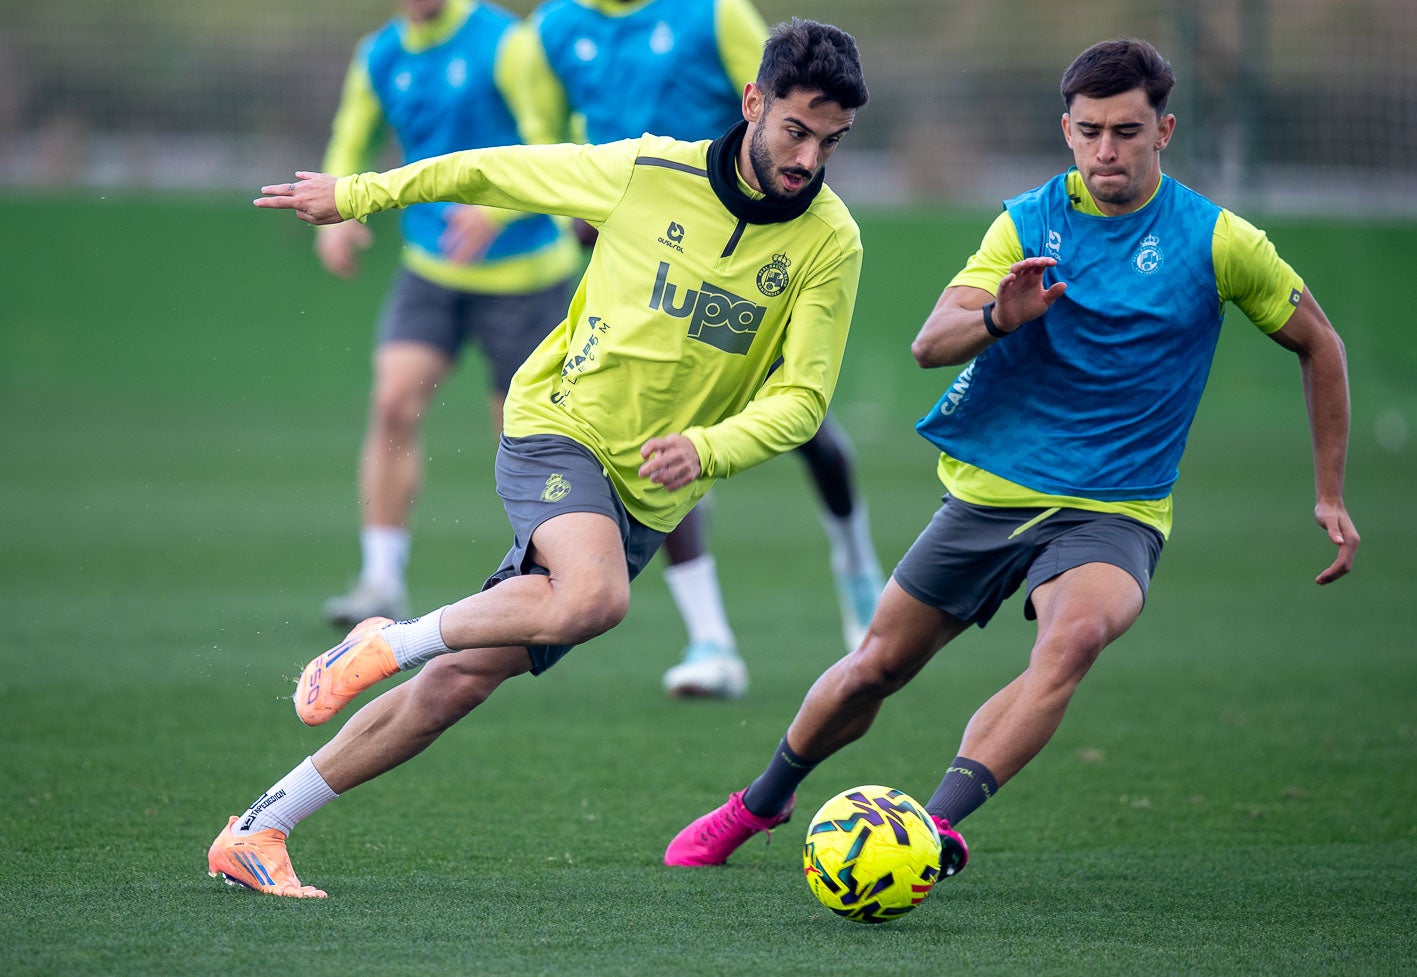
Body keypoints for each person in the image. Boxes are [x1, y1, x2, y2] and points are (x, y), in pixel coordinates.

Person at [663, 37, 1359, 877]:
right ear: (1065, 129)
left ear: (1163, 131)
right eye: (1091, 130)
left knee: (1073, 639)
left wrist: (1328, 493)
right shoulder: (1026, 221)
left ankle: (933, 827)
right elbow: (928, 343)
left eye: (1128, 132)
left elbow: (1319, 341)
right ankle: (759, 801)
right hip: (992, 491)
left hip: (1115, 508)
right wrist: (1001, 316)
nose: (1108, 149)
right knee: (874, 667)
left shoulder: (1217, 241)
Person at [208, 18, 870, 898]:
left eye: (831, 142)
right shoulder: (647, 169)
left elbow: (802, 400)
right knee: (594, 598)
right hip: (558, 423)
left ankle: (259, 828)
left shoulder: (830, 240)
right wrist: (361, 193)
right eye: (795, 131)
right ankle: (390, 637)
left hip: (647, 491)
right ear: (753, 103)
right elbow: (486, 168)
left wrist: (708, 446)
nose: (809, 159)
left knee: (457, 686)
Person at [505, 0, 886, 699]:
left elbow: (783, 112)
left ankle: (857, 566)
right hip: (642, 230)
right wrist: (579, 200)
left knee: (806, 427)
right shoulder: (554, 27)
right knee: (664, 436)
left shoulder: (714, 15)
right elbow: (537, 122)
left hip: (743, 243)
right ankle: (709, 637)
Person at [315, 0, 581, 627]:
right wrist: (337, 216)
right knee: (392, 403)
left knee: (521, 437)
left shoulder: (507, 44)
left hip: (527, 273)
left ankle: (549, 589)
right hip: (431, 266)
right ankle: (380, 581)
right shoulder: (380, 54)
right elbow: (348, 140)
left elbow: (555, 142)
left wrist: (498, 208)